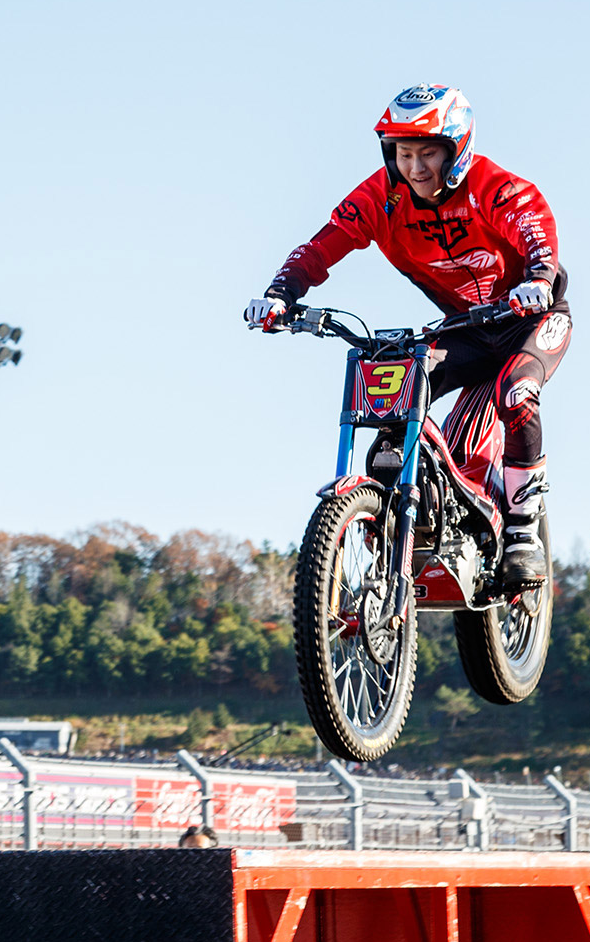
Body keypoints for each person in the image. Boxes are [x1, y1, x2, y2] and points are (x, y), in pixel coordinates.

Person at [244, 85, 571, 586]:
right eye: (404, 153)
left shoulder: (495, 187)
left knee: (516, 393)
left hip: (529, 321)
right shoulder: (382, 196)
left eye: (428, 153)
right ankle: (400, 522)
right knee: (394, 396)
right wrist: (280, 293)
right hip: (464, 327)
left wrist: (539, 280)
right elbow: (323, 244)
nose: (415, 167)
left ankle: (524, 532)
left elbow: (534, 230)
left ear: (457, 150)